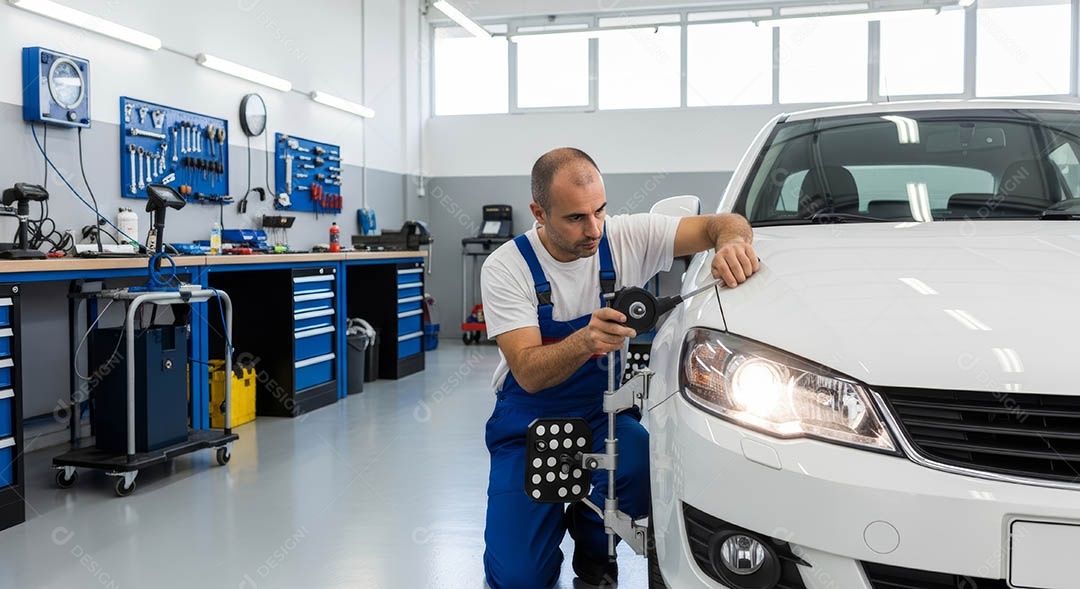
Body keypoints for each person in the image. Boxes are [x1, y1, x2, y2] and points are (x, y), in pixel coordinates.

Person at [480, 147, 759, 589]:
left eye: (600, 211)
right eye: (575, 218)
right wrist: (585, 341)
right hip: (529, 425)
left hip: (601, 414)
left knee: (642, 466)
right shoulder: (506, 267)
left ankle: (596, 557)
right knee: (518, 578)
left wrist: (732, 244)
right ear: (539, 212)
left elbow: (722, 222)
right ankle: (549, 528)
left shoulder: (626, 236)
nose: (593, 229)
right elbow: (529, 372)